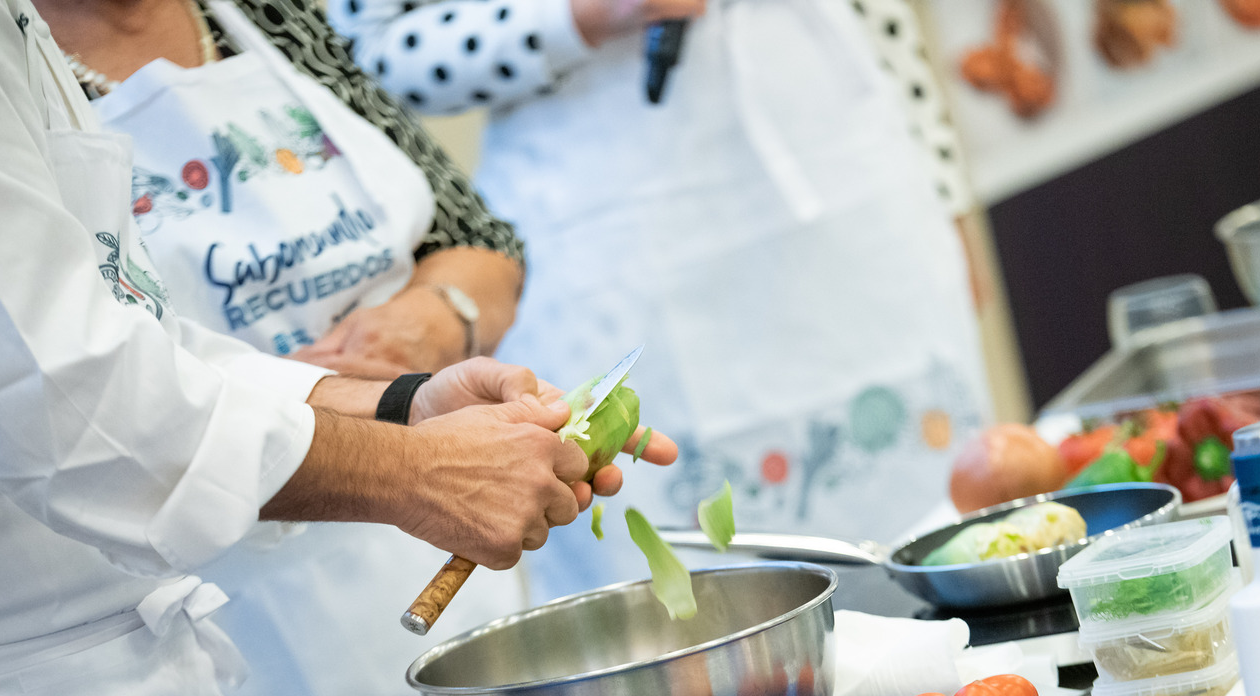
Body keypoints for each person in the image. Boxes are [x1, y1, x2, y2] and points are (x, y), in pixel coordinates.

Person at [0, 4, 674, 696]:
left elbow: (150, 345)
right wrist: (416, 472)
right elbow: (65, 402)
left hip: (158, 694)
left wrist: (405, 404)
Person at [332, 0, 993, 603]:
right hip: (618, 237)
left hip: (847, 181)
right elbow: (368, 60)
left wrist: (948, 197)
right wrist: (583, 16)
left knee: (948, 558)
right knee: (702, 614)